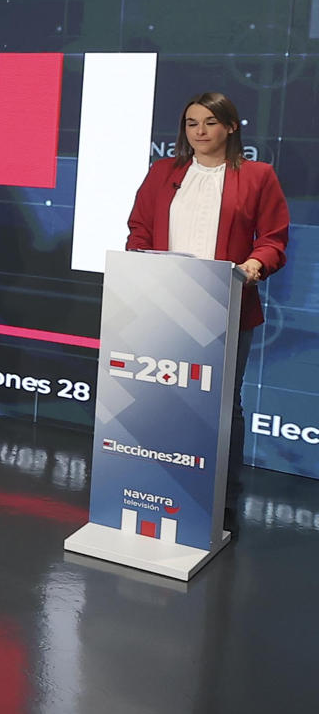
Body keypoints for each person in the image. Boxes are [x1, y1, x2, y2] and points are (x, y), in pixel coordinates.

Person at [125, 91, 289, 494]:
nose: (199, 131)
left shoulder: (258, 175)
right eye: (191, 123)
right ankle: (161, 483)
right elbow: (139, 228)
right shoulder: (162, 171)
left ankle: (221, 496)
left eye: (210, 123)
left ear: (230, 127)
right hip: (163, 304)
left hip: (227, 304)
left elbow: (273, 239)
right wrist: (140, 262)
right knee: (160, 396)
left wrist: (255, 265)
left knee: (223, 402)